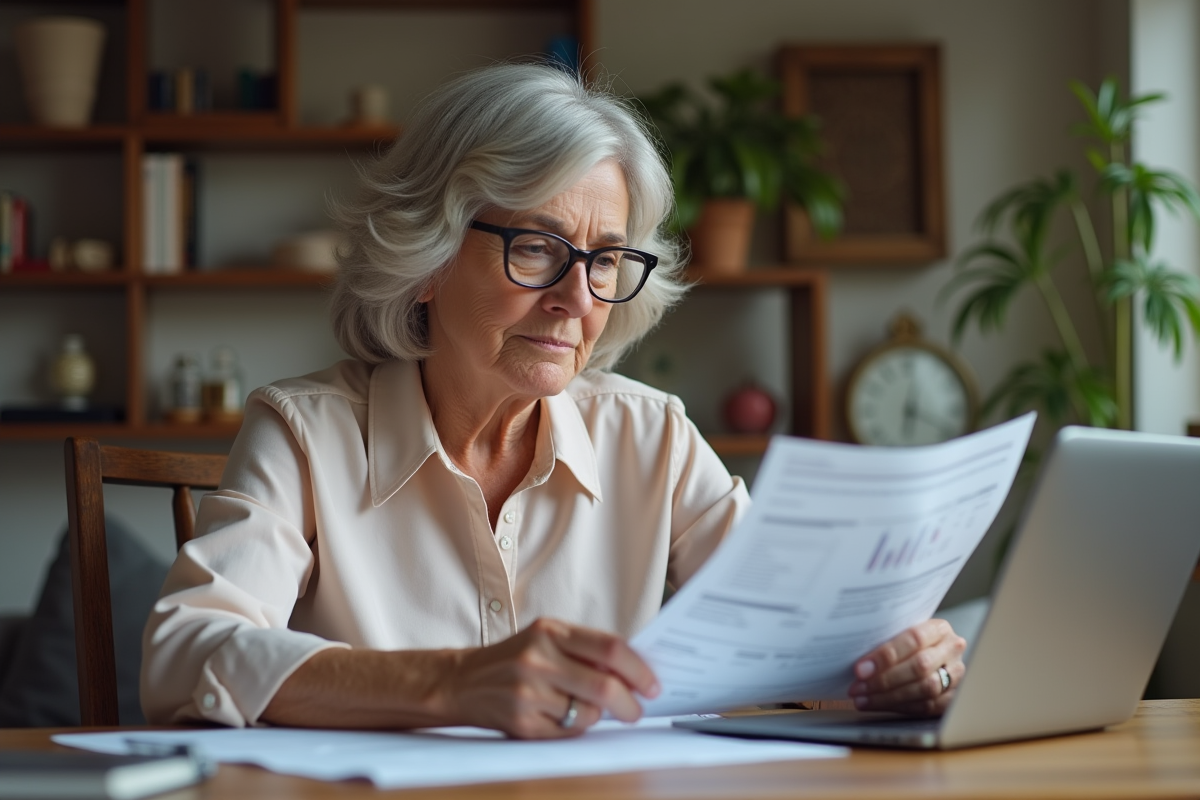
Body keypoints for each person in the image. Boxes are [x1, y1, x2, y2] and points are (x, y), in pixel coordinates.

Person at [141, 63, 966, 739]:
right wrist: (451, 684)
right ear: (428, 260)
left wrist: (889, 667)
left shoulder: (652, 437)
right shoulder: (305, 433)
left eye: (604, 260)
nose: (577, 299)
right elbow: (184, 654)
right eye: (537, 247)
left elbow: (798, 643)